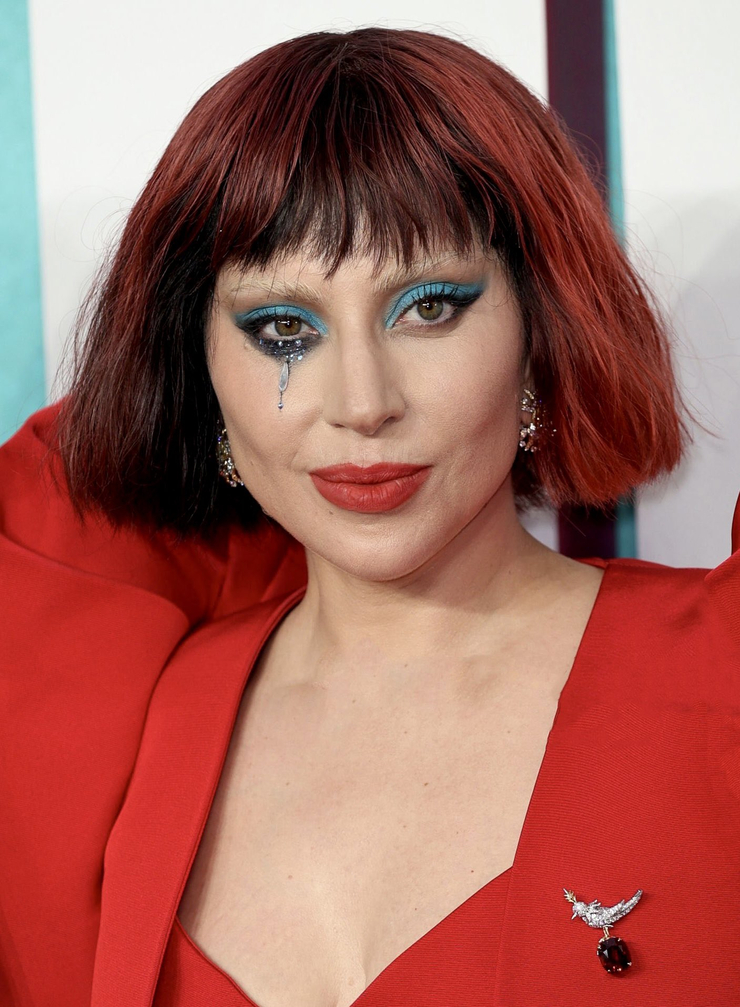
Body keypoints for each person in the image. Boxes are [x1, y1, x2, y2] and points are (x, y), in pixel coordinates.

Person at [1, 25, 738, 1007]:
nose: (361, 401)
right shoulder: (124, 731)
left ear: (542, 325)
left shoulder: (719, 671)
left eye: (428, 307)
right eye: (282, 327)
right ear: (197, 364)